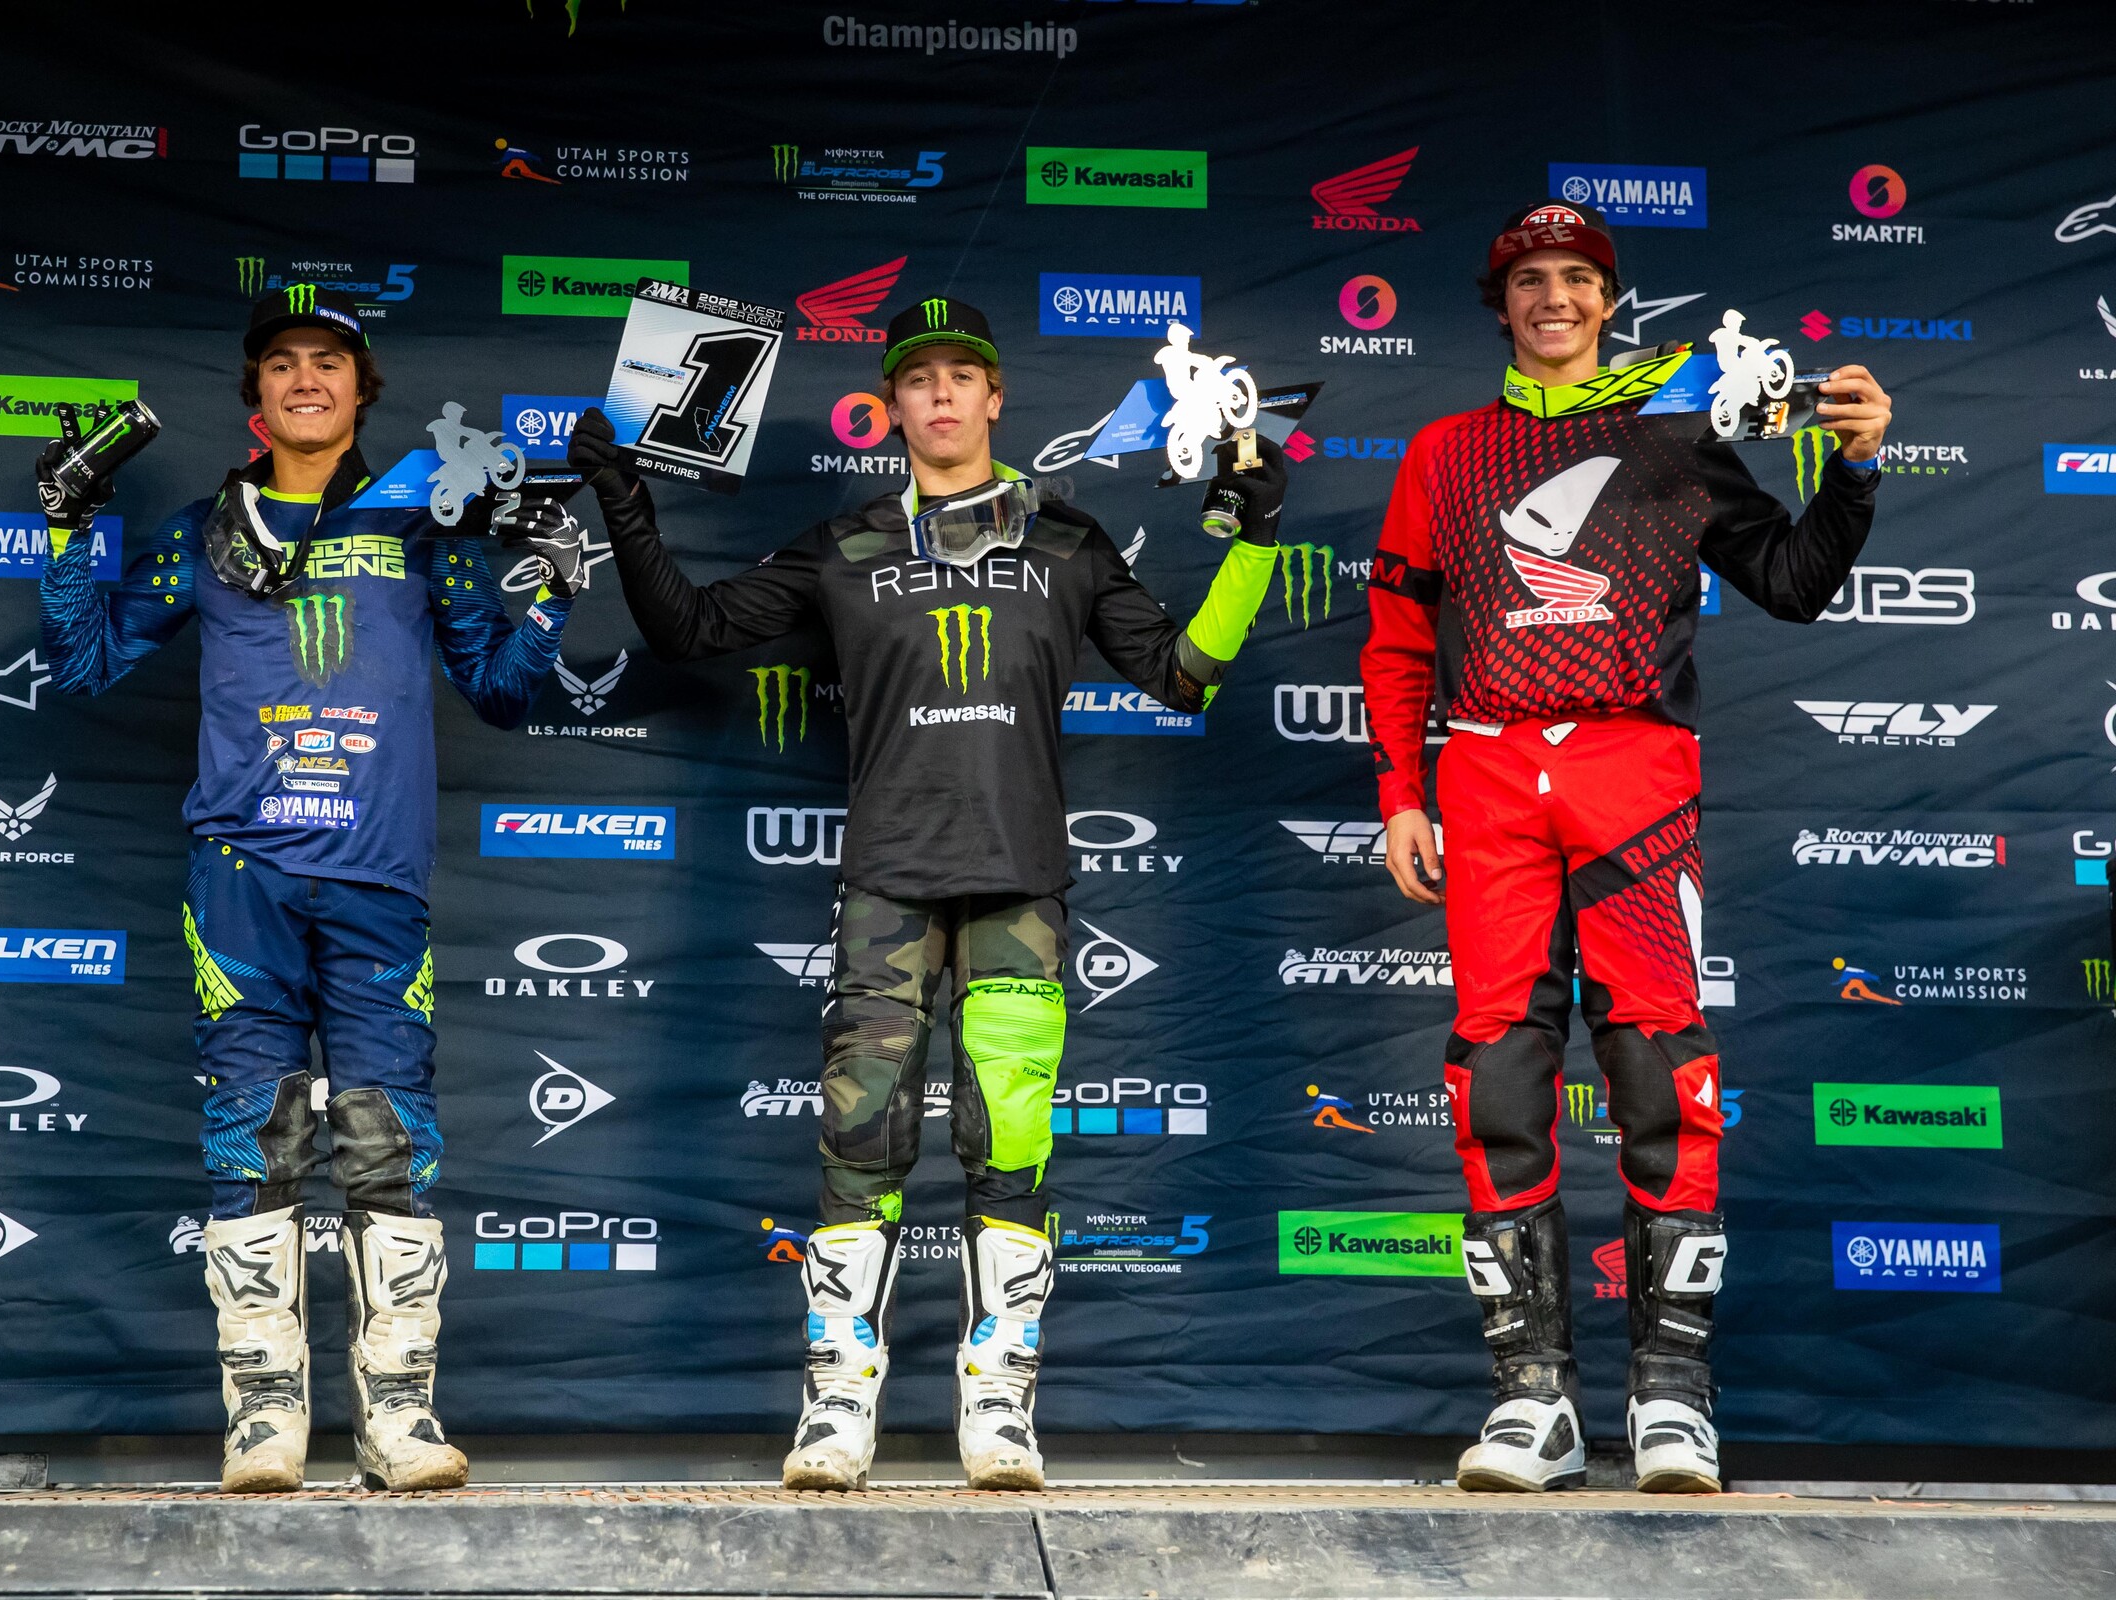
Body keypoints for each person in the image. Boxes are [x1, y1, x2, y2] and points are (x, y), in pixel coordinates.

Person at [567, 296, 1287, 1491]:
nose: (942, 393)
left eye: (962, 374)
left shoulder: (1068, 539)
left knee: (1011, 1151)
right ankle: (838, 1406)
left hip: (1020, 890)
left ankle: (998, 1407)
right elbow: (689, 629)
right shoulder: (844, 546)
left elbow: (1185, 676)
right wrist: (626, 503)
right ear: (891, 406)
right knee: (859, 1145)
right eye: (918, 377)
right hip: (888, 888)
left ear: (997, 396)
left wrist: (1255, 536)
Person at [1360, 202, 1892, 1494]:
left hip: (1633, 774)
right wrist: (1400, 793)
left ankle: (1672, 1397)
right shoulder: (1444, 450)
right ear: (1500, 304)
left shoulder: (1677, 433)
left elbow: (1792, 581)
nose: (1553, 297)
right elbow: (1398, 636)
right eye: (1529, 279)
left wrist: (1856, 469)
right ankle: (1531, 1401)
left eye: (1577, 278)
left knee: (1663, 1071)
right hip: (1486, 775)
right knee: (1496, 1077)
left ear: (1611, 302)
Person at [36, 283, 581, 1493]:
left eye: (328, 361)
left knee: (391, 1144)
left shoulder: (422, 523)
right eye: (282, 360)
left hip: (376, 880)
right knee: (254, 1139)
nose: (305, 379)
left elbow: (501, 690)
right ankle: (264, 1420)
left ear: (361, 387)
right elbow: (81, 662)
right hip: (243, 877)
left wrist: (545, 591)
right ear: (256, 391)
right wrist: (72, 525)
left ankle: (400, 1419)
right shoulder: (206, 528)